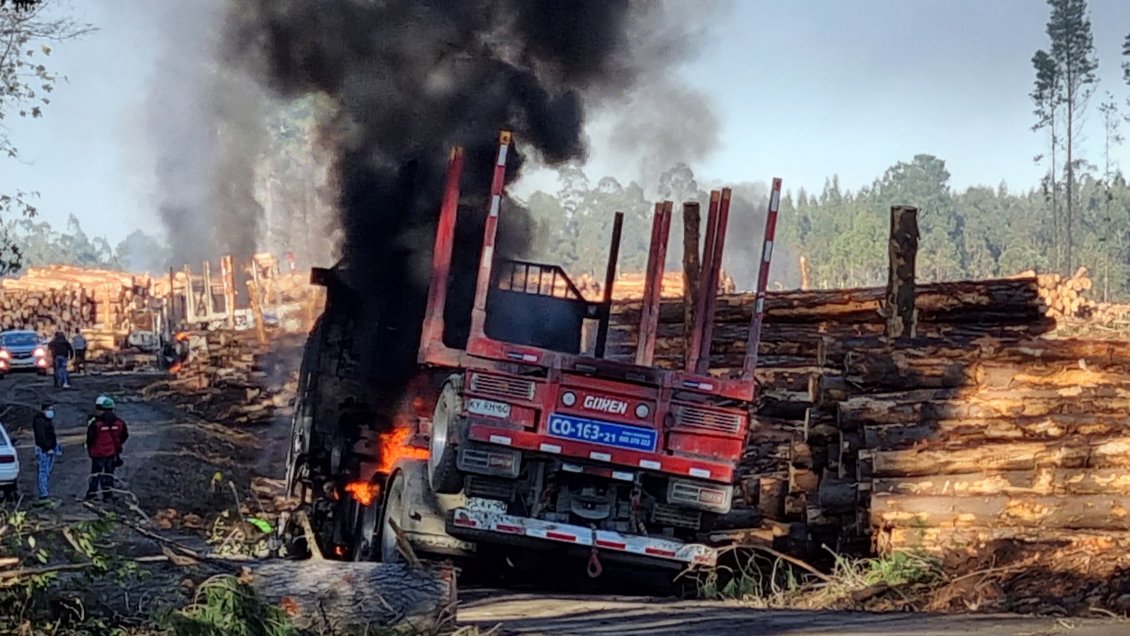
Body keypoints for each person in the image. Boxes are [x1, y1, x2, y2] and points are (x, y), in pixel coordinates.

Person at [84, 395, 127, 501]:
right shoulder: (119, 423)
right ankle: (107, 495)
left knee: (95, 474)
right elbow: (124, 435)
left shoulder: (96, 423)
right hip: (111, 453)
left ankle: (92, 494)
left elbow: (90, 438)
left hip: (97, 453)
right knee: (109, 474)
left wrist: (91, 449)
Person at [32, 401, 60, 499]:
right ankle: (43, 494)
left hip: (49, 448)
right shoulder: (40, 421)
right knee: (43, 471)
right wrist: (48, 448)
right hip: (44, 450)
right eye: (49, 409)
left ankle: (45, 491)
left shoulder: (46, 420)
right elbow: (41, 437)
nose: (51, 412)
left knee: (47, 471)